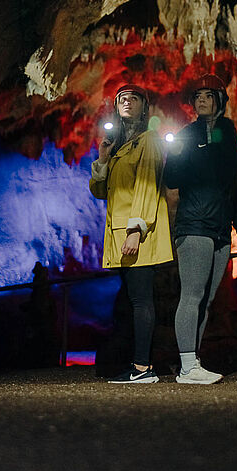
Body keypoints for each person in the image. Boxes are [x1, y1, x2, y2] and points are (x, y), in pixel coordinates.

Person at [164, 74, 237, 384]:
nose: (201, 99)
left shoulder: (226, 133)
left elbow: (233, 183)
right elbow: (173, 179)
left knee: (207, 300)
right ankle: (188, 366)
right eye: (197, 95)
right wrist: (174, 154)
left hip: (219, 228)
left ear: (219, 100)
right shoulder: (188, 134)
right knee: (192, 295)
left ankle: (192, 361)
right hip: (195, 224)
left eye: (207, 95)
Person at [90, 83, 173, 383]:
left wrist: (136, 230)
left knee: (140, 301)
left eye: (133, 98)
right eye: (122, 99)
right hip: (120, 236)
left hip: (137, 234)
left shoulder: (149, 140)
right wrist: (102, 160)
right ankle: (134, 364)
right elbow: (101, 191)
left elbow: (147, 186)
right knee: (130, 301)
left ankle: (142, 368)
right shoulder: (118, 147)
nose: (127, 102)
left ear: (143, 106)